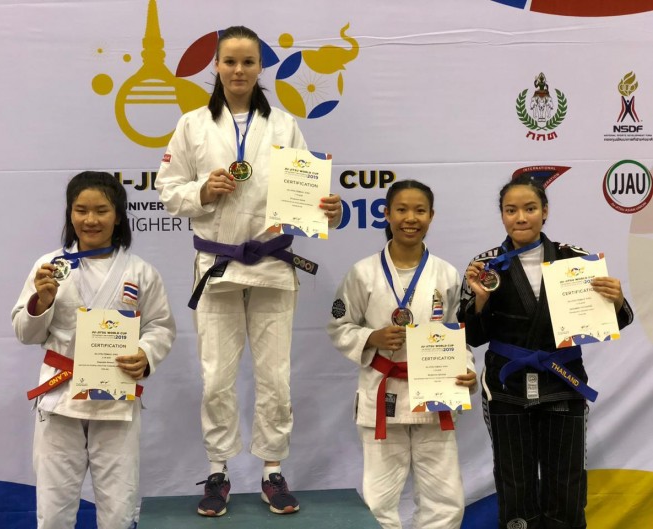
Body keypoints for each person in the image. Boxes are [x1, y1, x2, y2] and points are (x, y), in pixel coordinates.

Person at [154, 25, 342, 516]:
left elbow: (302, 195)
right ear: (216, 66)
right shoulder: (192, 125)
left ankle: (272, 471)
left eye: (248, 62)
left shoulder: (284, 125)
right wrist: (202, 190)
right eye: (230, 61)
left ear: (261, 68)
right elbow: (167, 189)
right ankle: (217, 470)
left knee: (275, 376)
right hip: (217, 264)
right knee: (216, 376)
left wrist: (326, 209)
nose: (239, 70)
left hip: (272, 264)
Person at [458, 174, 634, 529]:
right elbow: (472, 336)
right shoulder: (485, 266)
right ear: (502, 215)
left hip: (562, 381)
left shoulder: (575, 259)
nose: (520, 217)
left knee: (566, 478)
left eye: (530, 208)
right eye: (511, 210)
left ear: (545, 211)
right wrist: (480, 300)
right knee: (514, 478)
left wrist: (616, 300)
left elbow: (619, 320)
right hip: (506, 386)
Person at [12, 171, 176, 529]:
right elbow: (25, 332)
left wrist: (146, 354)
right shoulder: (50, 268)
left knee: (119, 510)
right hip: (60, 397)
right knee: (54, 509)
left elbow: (160, 326)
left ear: (117, 215)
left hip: (115, 396)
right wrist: (41, 302)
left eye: (101, 210)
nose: (90, 220)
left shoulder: (140, 271)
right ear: (69, 214)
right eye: (81, 210)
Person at [327, 180, 477, 529]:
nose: (411, 218)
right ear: (386, 214)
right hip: (384, 393)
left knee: (445, 500)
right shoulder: (363, 272)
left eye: (420, 210)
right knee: (378, 502)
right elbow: (338, 326)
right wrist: (371, 336)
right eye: (402, 210)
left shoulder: (446, 273)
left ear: (431, 216)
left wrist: (467, 370)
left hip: (435, 395)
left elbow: (459, 334)